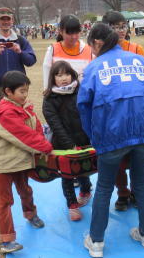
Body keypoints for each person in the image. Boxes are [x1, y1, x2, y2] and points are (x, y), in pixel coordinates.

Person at [78, 23, 144, 257]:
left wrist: (94, 136)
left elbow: (83, 106)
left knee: (104, 186)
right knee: (141, 181)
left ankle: (96, 241)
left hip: (111, 133)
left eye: (91, 45)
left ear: (98, 43)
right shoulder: (139, 60)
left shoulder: (93, 68)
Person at [0, 70, 52, 254]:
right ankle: (7, 240)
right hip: (3, 163)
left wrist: (43, 140)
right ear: (8, 92)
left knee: (25, 190)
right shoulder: (7, 112)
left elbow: (37, 128)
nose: (25, 95)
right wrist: (46, 148)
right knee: (5, 200)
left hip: (20, 160)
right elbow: (25, 136)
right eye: (22, 91)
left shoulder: (24, 107)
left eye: (26, 91)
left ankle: (31, 214)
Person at [101, 10, 144, 211]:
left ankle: (138, 191)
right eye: (114, 27)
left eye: (122, 26)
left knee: (138, 156)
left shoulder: (137, 49)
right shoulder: (100, 51)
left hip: (136, 113)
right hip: (113, 114)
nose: (119, 31)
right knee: (117, 158)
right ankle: (122, 192)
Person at [42, 61, 92, 221]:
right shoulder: (49, 99)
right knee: (67, 174)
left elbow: (89, 115)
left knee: (83, 169)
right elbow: (55, 125)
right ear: (53, 78)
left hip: (84, 139)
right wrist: (70, 145)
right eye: (58, 75)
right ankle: (72, 204)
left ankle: (85, 190)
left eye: (66, 74)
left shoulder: (81, 91)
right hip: (63, 144)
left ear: (72, 74)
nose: (63, 78)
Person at [0, 7, 37, 111]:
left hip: (18, 88)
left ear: (12, 20)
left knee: (19, 120)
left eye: (8, 19)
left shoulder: (20, 40)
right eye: (2, 19)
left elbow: (31, 61)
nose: (5, 22)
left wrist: (20, 52)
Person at [42, 14, 93, 90]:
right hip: (59, 99)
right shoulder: (52, 50)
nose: (74, 36)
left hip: (82, 98)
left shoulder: (89, 50)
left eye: (77, 32)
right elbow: (47, 81)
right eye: (70, 33)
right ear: (61, 32)